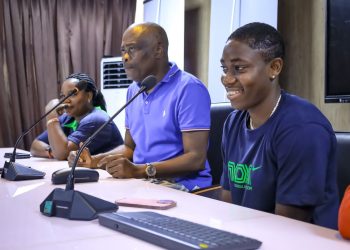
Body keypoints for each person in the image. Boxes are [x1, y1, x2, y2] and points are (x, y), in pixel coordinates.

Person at [219, 22, 339, 229]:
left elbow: (288, 228)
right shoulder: (233, 122)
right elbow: (229, 206)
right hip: (247, 237)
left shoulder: (302, 129)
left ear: (274, 67)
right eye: (224, 68)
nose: (227, 79)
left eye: (239, 68)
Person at [68, 22, 212, 192]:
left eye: (132, 49)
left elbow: (196, 159)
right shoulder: (133, 90)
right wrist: (95, 160)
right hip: (144, 181)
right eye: (123, 51)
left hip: (183, 186)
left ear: (158, 50)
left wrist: (140, 170)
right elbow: (129, 148)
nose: (125, 57)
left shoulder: (189, 88)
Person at [30, 73, 124, 160]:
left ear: (89, 96)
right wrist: (51, 150)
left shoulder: (96, 119)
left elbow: (63, 154)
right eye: (63, 96)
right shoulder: (67, 118)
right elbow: (35, 146)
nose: (66, 100)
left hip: (111, 175)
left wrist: (52, 118)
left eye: (73, 94)